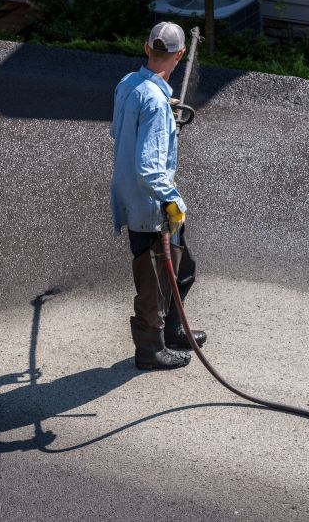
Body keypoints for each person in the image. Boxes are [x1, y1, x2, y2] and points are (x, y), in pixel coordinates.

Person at [110, 22, 208, 371]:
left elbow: (119, 129)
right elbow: (149, 168)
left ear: (146, 47)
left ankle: (172, 329)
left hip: (132, 196)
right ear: (180, 54)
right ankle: (150, 350)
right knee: (154, 281)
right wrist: (171, 201)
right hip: (150, 204)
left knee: (183, 271)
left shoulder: (129, 84)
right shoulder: (153, 101)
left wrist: (165, 104)